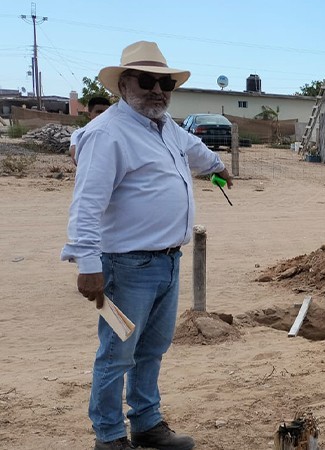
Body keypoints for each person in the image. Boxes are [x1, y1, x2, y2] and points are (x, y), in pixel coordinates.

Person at [60, 41, 233, 450]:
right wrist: (87, 263)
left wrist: (218, 166)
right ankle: (109, 436)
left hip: (167, 261)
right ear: (124, 85)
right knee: (117, 354)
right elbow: (87, 204)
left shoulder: (164, 126)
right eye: (146, 81)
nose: (157, 90)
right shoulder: (107, 134)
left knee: (152, 348)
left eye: (164, 83)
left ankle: (147, 423)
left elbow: (193, 149)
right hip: (126, 264)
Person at [69, 96, 112, 165]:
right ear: (89, 114)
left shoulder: (115, 133)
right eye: (99, 112)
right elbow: (76, 158)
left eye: (106, 112)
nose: (103, 115)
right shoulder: (79, 134)